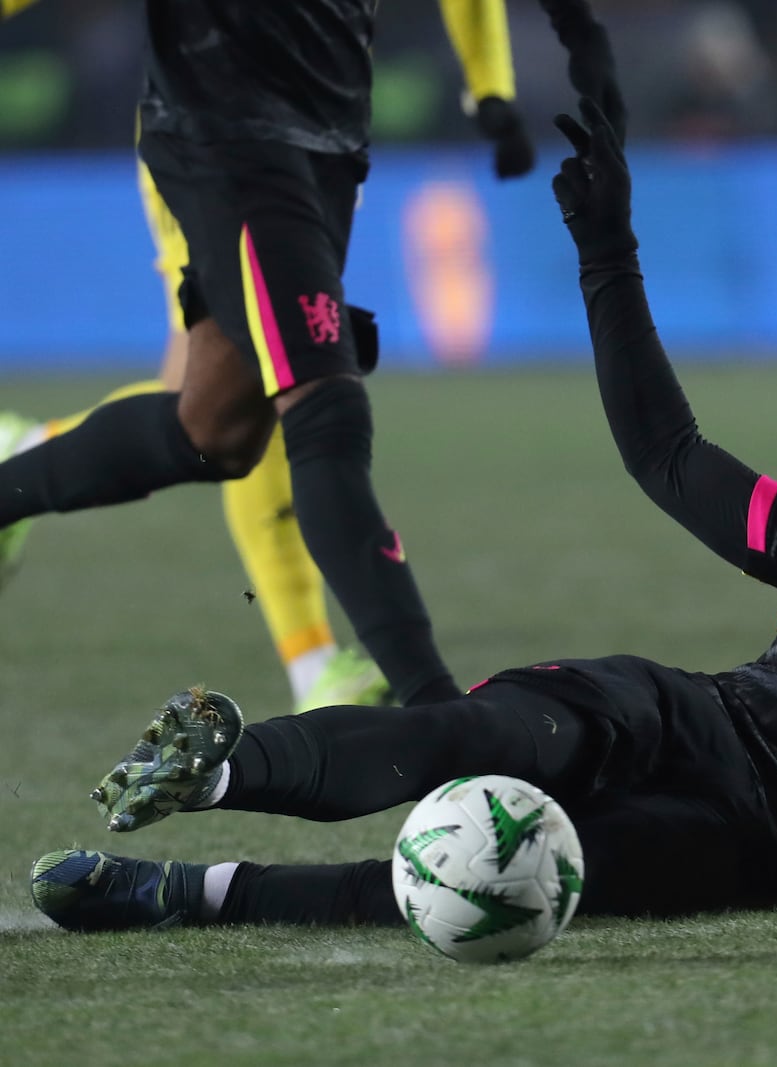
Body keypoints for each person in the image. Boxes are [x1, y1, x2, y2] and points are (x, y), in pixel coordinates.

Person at [30, 100, 777, 930]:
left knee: (490, 874)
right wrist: (607, 252)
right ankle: (223, 770)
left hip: (765, 841)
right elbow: (667, 456)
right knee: (477, 734)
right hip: (689, 712)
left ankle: (178, 892)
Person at [0, 0, 624, 707]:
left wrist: (490, 88)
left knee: (216, 426)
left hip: (326, 137)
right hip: (226, 133)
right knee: (317, 405)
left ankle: (18, 461)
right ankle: (423, 708)